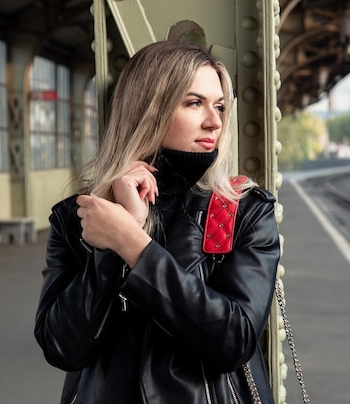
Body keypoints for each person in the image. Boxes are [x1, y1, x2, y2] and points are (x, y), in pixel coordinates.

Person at [34, 40, 281, 404]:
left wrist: (132, 244)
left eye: (220, 106)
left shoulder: (242, 211)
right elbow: (62, 347)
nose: (214, 121)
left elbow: (234, 340)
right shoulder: (80, 217)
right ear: (148, 110)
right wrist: (109, 248)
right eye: (194, 103)